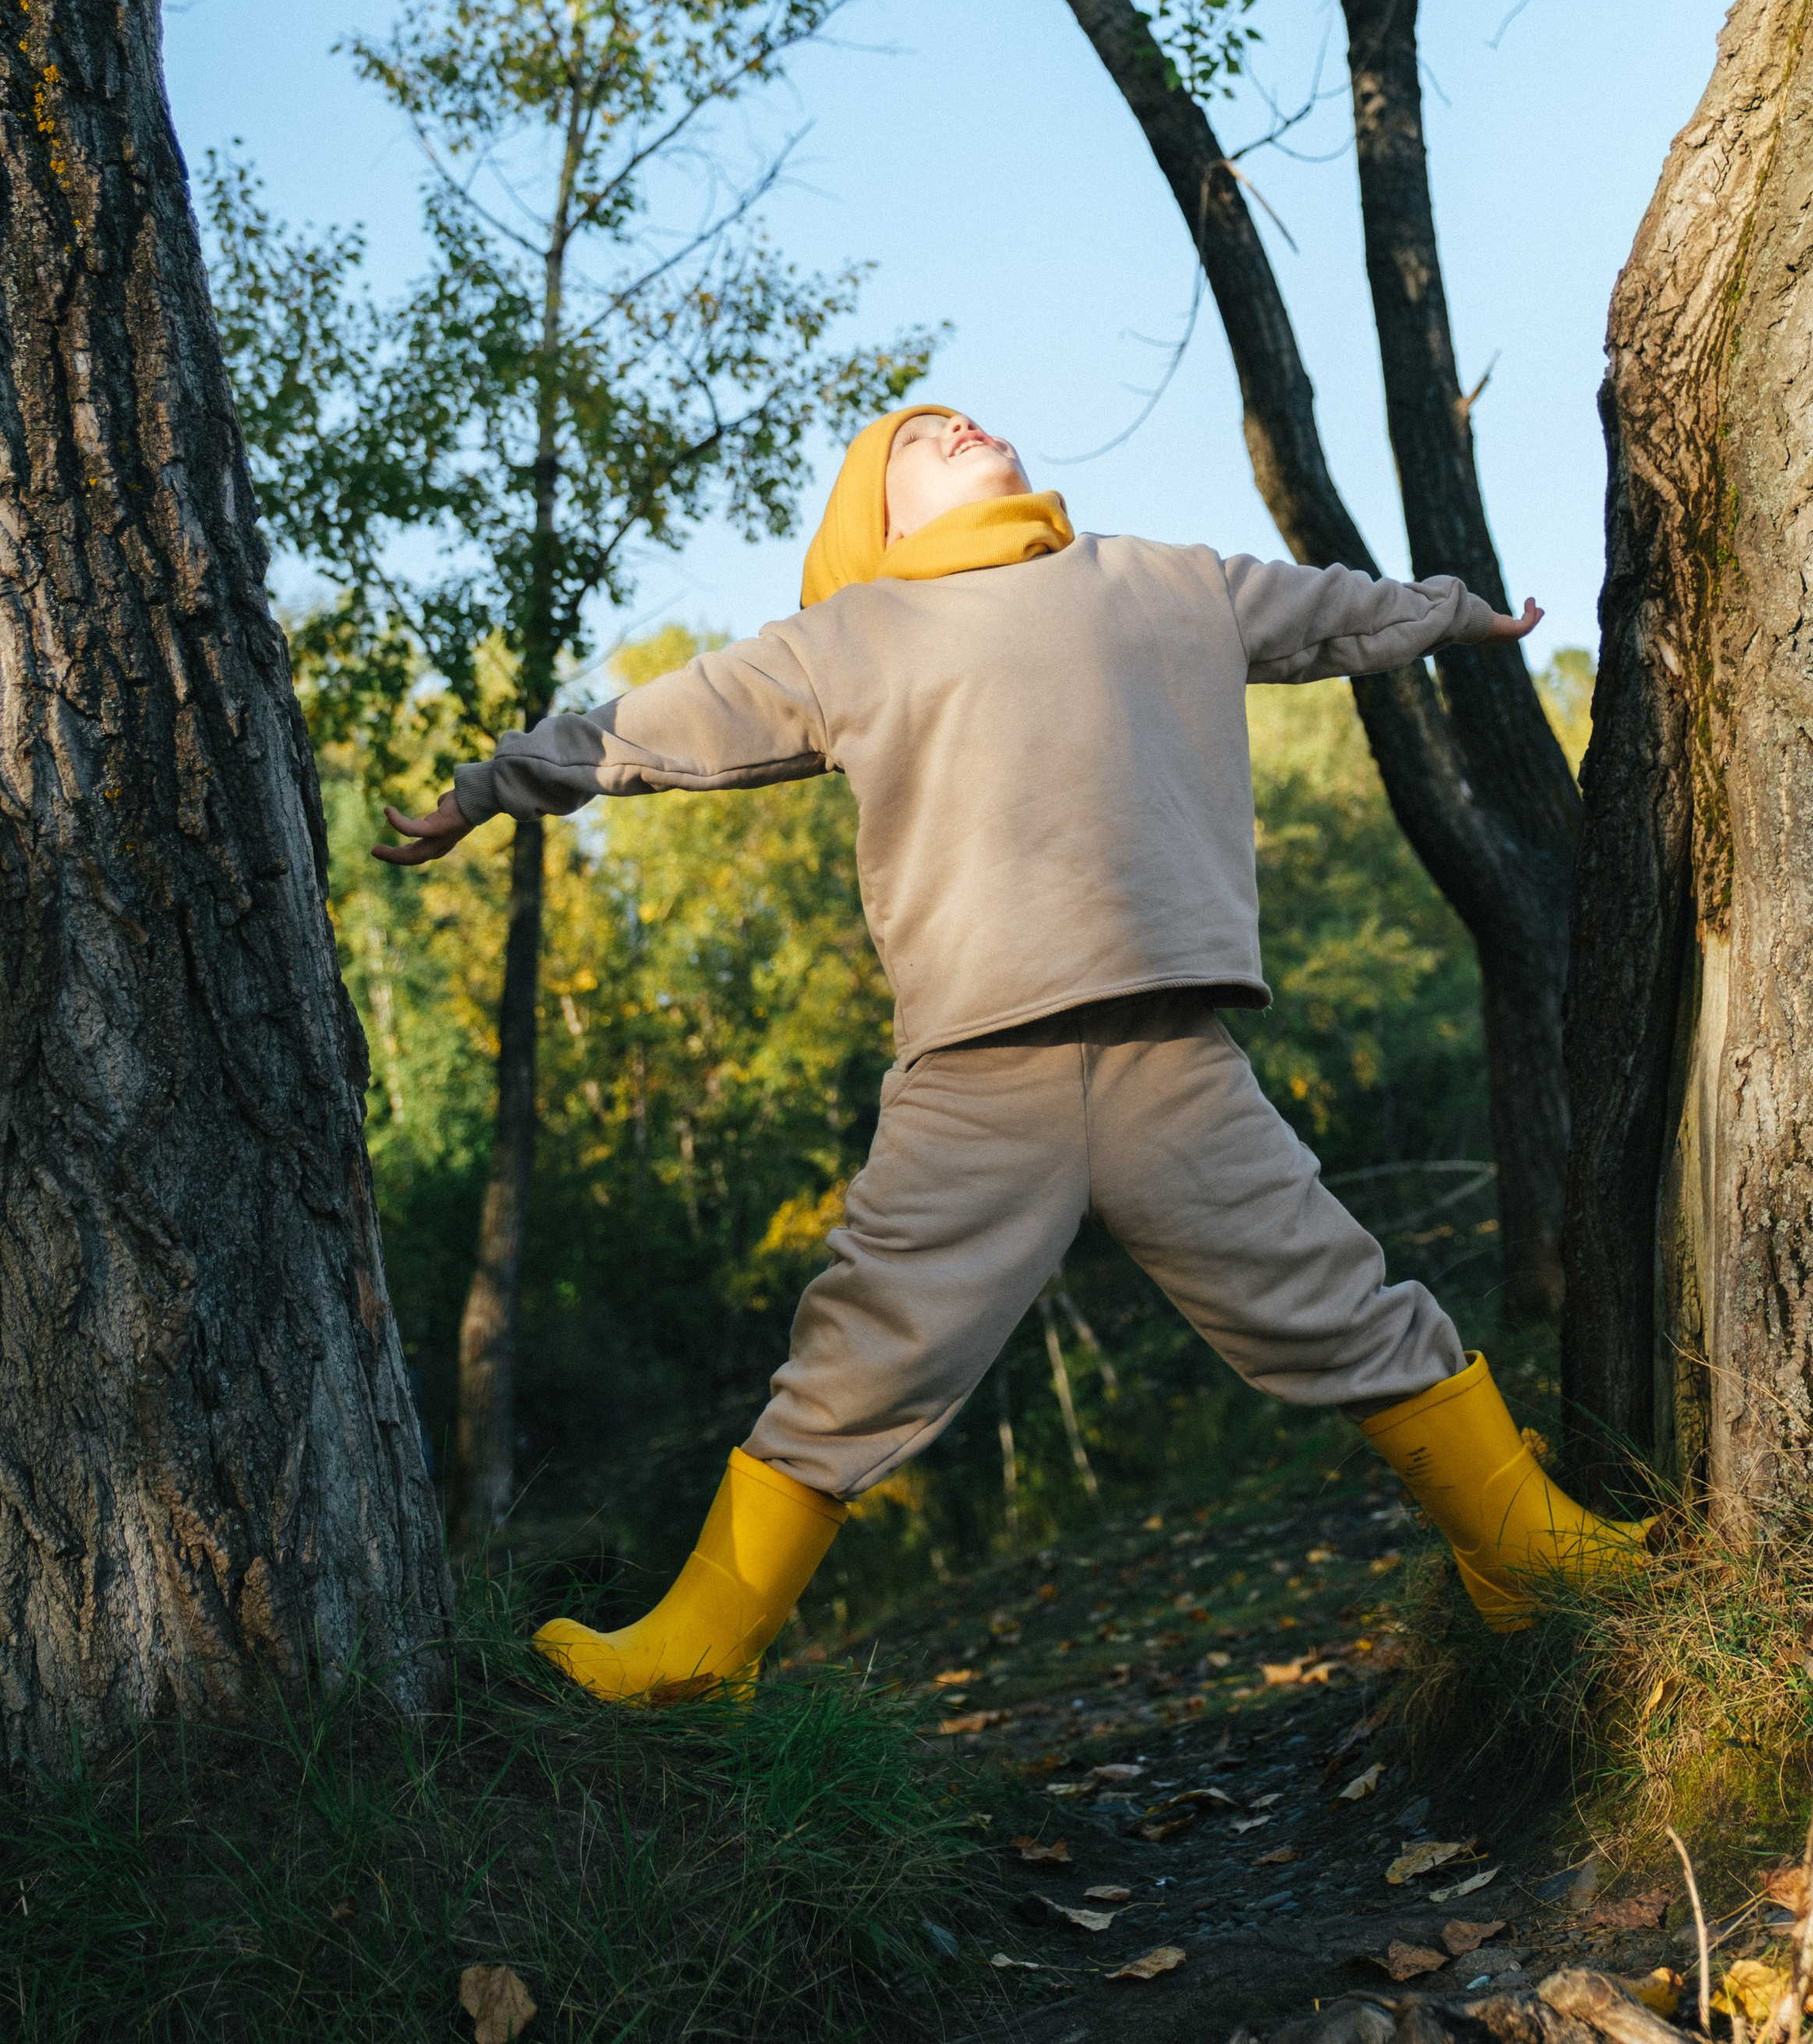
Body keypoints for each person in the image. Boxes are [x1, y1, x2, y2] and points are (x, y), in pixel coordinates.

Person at [378, 406, 1647, 1699]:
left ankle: (1520, 1554)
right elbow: (660, 722)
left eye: (963, 416)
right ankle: (703, 1647)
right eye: (917, 435)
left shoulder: (1167, 580)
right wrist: (487, 788)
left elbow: (1328, 613)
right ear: (873, 519)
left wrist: (1455, 614)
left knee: (1344, 1303)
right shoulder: (852, 636)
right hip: (976, 1087)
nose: (956, 422)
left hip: (1173, 1063)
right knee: (859, 1353)